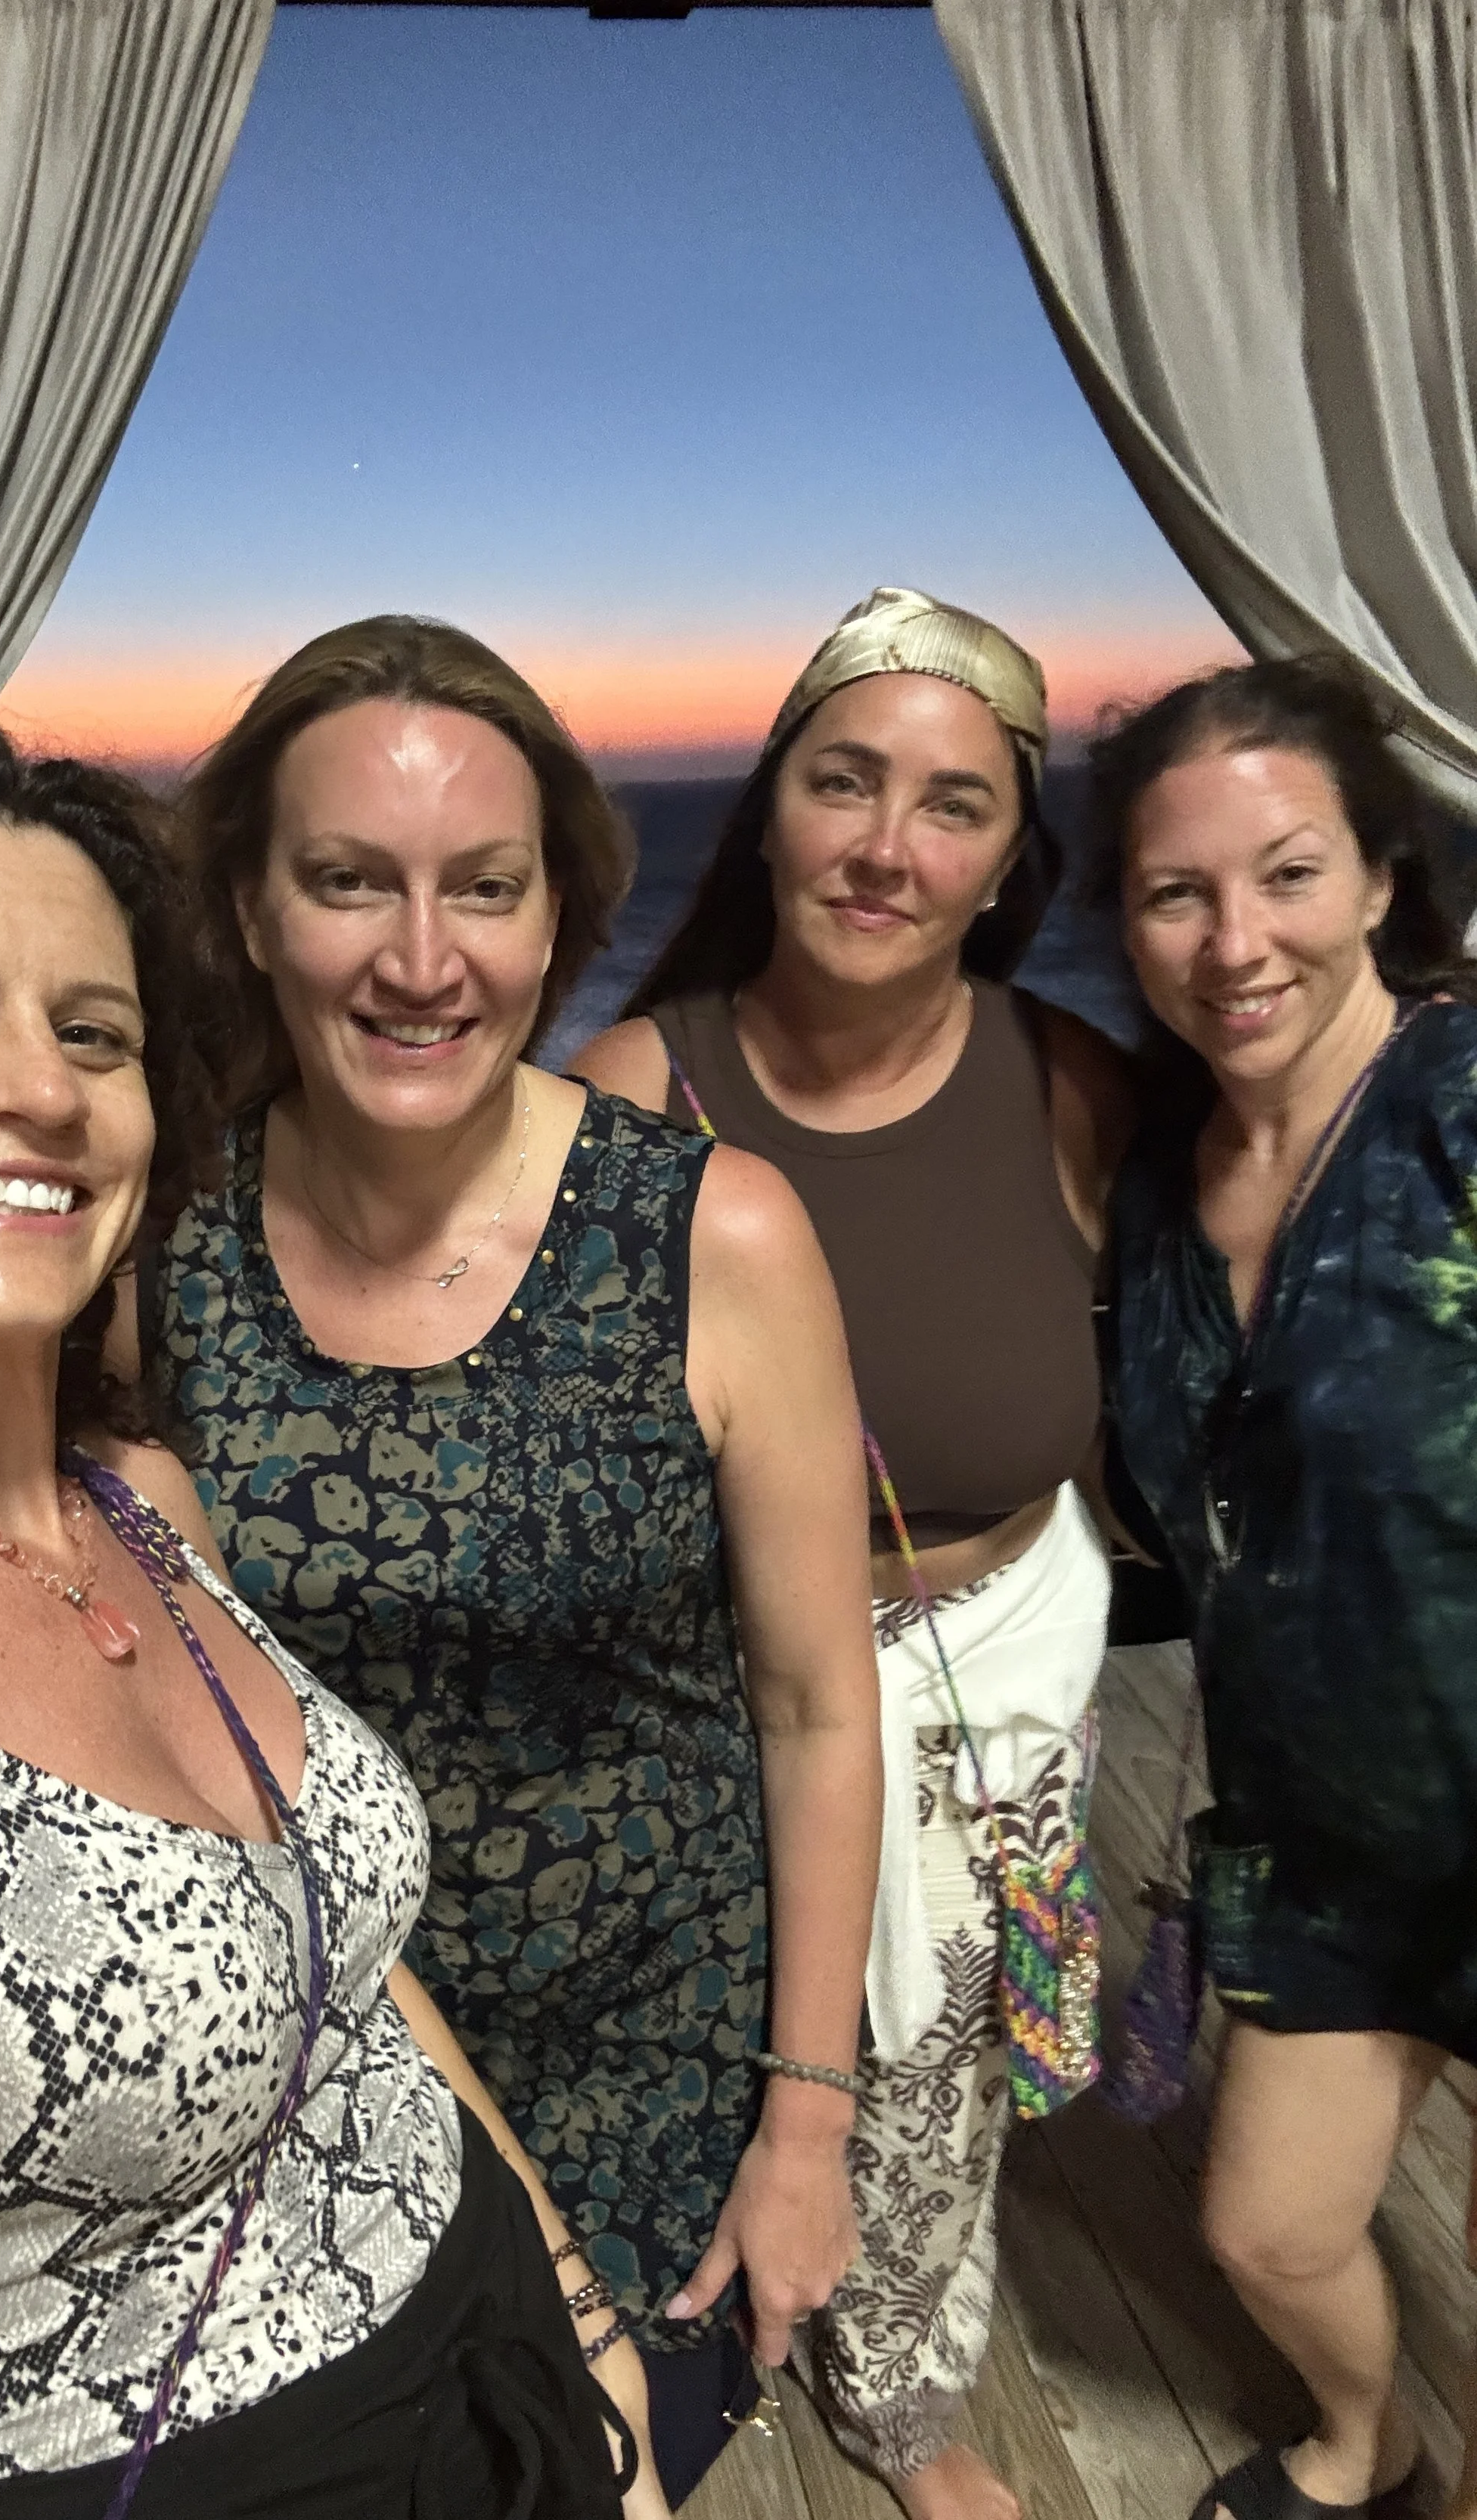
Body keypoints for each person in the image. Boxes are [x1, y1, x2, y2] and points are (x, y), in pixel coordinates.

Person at [0, 683, 653, 2520]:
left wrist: (571, 2308)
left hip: (502, 2364)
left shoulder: (139, 1503)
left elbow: (344, 1960)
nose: (38, 1087)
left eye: (98, 1031)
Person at [135, 612, 883, 2509]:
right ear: (245, 908)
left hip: (657, 2067)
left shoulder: (713, 1237)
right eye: (345, 883)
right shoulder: (169, 1247)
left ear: (557, 918)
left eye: (483, 886)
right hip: (319, 2072)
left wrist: (807, 2120)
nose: (419, 957)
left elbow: (810, 1704)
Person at [575, 586, 1128, 2520]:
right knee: (732, 2027)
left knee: (936, 2075)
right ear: (771, 814)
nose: (887, 845)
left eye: (952, 807)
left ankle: (892, 2396)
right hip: (726, 1679)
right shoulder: (630, 1097)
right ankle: (691, 2314)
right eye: (843, 782)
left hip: (1000, 1654)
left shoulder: (1072, 1087)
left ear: (1004, 867)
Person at [1096, 656, 1477, 2520]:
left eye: (1288, 874)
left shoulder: (1458, 1110)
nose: (1232, 941)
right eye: (1176, 892)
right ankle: (1371, 2445)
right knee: (1264, 2229)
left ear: (1384, 880)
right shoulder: (1160, 1190)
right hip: (1323, 1845)